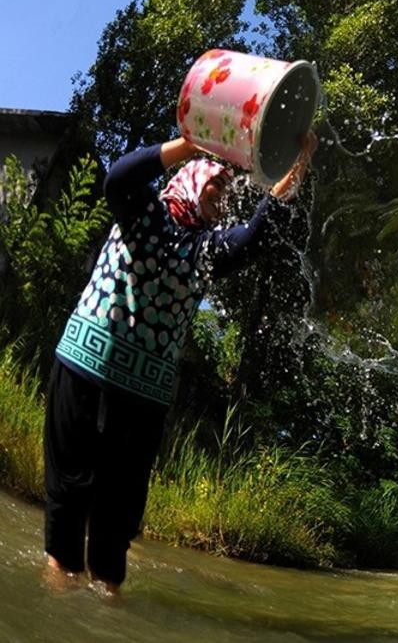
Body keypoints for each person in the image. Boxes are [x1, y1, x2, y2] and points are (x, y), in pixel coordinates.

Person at [44, 132, 317, 592]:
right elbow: (118, 178)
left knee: (115, 526)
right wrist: (194, 142)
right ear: (193, 179)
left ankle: (102, 620)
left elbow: (258, 232)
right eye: (217, 185)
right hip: (83, 371)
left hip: (143, 399)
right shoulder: (144, 212)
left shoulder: (205, 252)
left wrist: (301, 160)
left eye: (228, 191)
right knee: (68, 503)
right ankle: (57, 603)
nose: (223, 197)